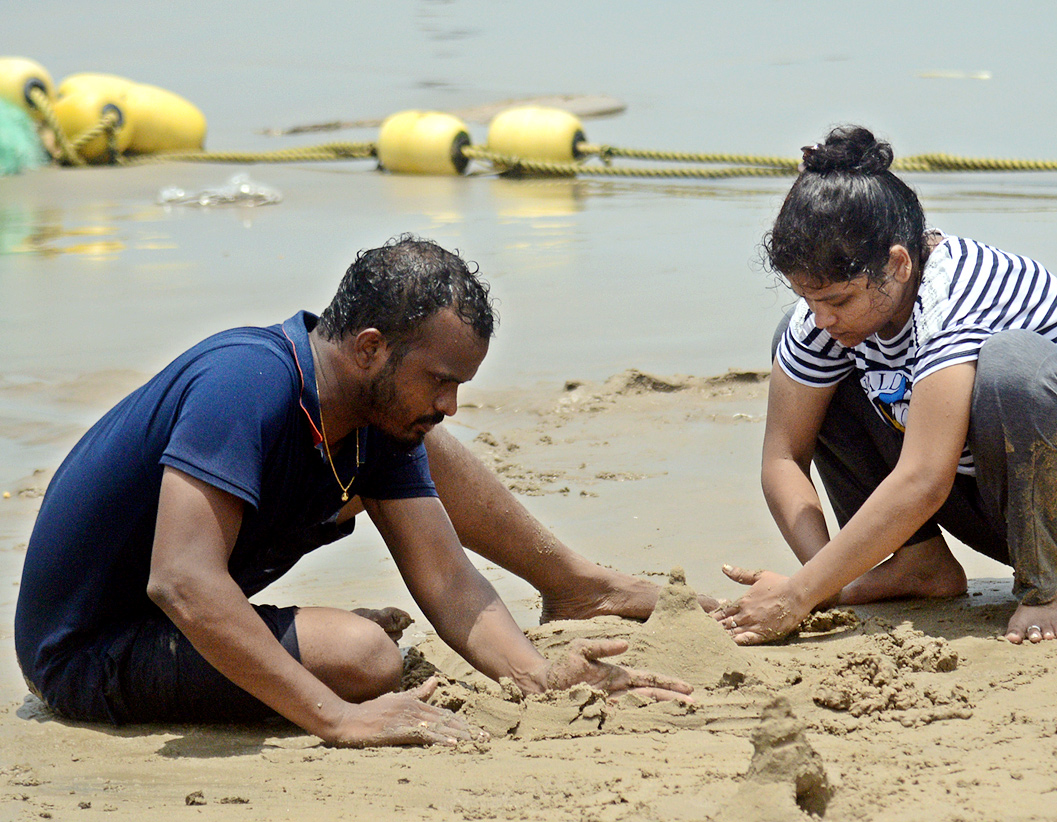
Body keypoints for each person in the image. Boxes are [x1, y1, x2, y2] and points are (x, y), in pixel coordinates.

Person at [14, 235, 691, 747]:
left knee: (426, 445)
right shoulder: (244, 383)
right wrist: (337, 717)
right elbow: (182, 581)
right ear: (369, 348)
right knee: (367, 658)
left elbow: (450, 584)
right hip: (85, 652)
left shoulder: (375, 420)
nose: (452, 403)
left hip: (169, 620)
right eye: (441, 379)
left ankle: (574, 583)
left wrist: (536, 676)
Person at [715, 125, 1057, 647]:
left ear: (898, 263)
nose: (822, 317)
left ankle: (1050, 589)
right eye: (810, 298)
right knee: (809, 359)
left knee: (1012, 368)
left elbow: (925, 479)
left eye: (840, 301)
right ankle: (917, 565)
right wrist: (821, 580)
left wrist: (797, 594)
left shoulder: (961, 290)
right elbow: (782, 458)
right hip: (1002, 507)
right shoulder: (826, 320)